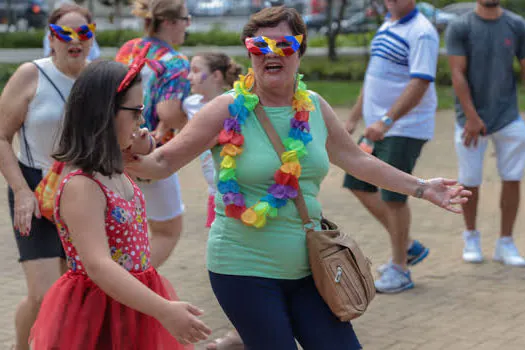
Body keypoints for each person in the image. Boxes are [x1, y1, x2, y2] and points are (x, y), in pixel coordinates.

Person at [125, 6, 470, 350]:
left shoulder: (316, 107)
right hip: (243, 268)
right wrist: (118, 153)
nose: (272, 54)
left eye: (284, 45)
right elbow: (163, 162)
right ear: (250, 52)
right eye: (261, 46)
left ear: (300, 50)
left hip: (310, 269)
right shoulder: (226, 109)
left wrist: (422, 187)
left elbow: (357, 161)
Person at [28, 59, 211, 349]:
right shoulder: (82, 185)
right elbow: (99, 266)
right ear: (104, 113)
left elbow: (152, 154)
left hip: (133, 301)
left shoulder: (115, 168)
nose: (142, 122)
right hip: (99, 311)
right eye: (136, 112)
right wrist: (164, 309)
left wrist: (139, 145)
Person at [0, 4, 94, 349]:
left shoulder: (97, 78)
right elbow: (1, 137)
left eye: (82, 33)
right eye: (64, 34)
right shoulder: (31, 74)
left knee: (81, 292)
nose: (74, 41)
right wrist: (21, 191)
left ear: (92, 35)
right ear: (50, 38)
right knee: (41, 294)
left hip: (82, 194)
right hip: (35, 189)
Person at [343, 0, 440, 293]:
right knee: (357, 181)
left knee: (394, 196)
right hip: (379, 126)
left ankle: (400, 269)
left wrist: (386, 120)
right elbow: (372, 78)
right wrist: (353, 118)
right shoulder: (388, 24)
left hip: (402, 127)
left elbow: (420, 83)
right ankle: (407, 245)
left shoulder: (422, 31)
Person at [445, 0, 525, 265]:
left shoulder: (516, 25)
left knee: (513, 177)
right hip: (470, 120)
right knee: (469, 180)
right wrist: (471, 116)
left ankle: (506, 242)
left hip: (508, 117)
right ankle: (471, 237)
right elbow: (457, 73)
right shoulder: (461, 26)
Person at [115, 0, 191, 268]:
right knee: (168, 230)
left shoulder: (129, 48)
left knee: (125, 225)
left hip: (117, 149)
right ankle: (134, 281)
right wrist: (193, 119)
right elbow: (168, 112)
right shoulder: (176, 61)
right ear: (169, 22)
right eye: (185, 18)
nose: (188, 25)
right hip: (151, 151)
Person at [183, 52, 242, 228]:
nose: (189, 77)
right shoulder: (190, 104)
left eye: (195, 71)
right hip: (214, 191)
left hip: (240, 188)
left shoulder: (237, 103)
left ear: (216, 75)